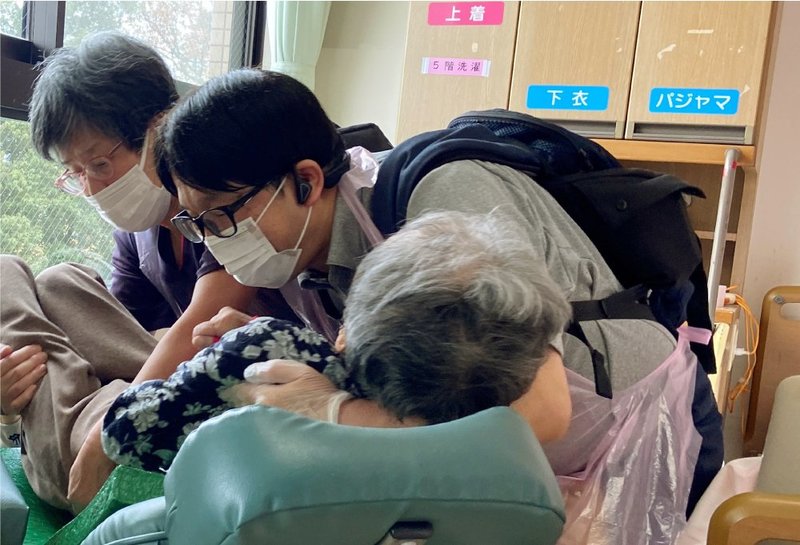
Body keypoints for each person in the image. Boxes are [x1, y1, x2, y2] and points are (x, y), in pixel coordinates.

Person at [156, 69, 722, 513]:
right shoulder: (311, 266)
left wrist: (336, 413)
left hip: (641, 433)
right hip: (531, 462)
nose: (214, 239)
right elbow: (421, 373)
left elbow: (542, 410)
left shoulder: (446, 202)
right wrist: (292, 355)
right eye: (196, 223)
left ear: (305, 180)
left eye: (221, 215)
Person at [0, 33, 296, 512]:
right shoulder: (138, 234)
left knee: (8, 276)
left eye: (99, 163)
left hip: (213, 390)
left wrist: (106, 434)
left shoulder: (221, 205)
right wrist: (10, 405)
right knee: (58, 282)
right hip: (145, 393)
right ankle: (62, 429)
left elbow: (197, 327)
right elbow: (114, 344)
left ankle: (65, 441)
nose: (91, 188)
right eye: (77, 173)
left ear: (159, 128)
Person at [100, 210, 573, 471]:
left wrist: (245, 347)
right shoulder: (499, 464)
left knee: (64, 290)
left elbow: (122, 431)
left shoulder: (272, 353)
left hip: (143, 451)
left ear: (346, 329)